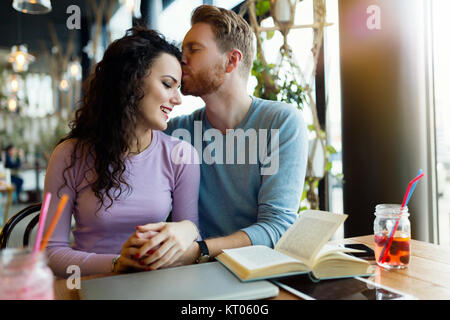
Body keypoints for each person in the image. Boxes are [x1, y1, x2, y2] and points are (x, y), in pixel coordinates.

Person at [42, 27, 200, 278]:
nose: (177, 99)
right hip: (92, 284)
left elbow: (194, 247)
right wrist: (117, 263)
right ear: (131, 80)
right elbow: (50, 252)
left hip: (155, 284)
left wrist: (188, 230)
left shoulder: (182, 155)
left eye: (178, 87)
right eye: (168, 84)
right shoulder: (69, 155)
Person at [164, 5, 308, 263]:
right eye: (181, 50)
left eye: (193, 49)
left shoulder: (281, 122)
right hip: (192, 277)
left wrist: (201, 250)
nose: (180, 59)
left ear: (232, 61)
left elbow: (277, 227)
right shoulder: (176, 131)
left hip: (259, 272)